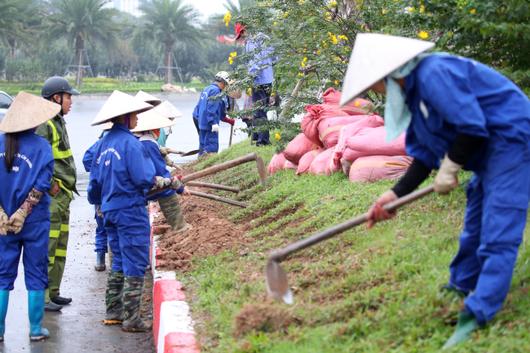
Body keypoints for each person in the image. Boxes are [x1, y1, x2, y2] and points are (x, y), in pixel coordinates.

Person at [340, 33, 530, 349]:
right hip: (487, 148)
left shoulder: (433, 73)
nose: (374, 91)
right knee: (474, 224)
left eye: (373, 84)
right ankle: (460, 284)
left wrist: (451, 166)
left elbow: (471, 126)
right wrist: (394, 194)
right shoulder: (414, 94)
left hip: (511, 139)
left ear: (388, 72)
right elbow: (424, 155)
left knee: (499, 225)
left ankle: (478, 311)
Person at [87, 91, 181, 332]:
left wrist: (102, 204)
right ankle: (132, 319)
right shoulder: (131, 144)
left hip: (108, 211)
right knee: (135, 261)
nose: (139, 118)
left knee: (117, 258)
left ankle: (113, 312)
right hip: (130, 210)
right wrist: (166, 182)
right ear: (125, 117)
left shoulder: (102, 145)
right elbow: (144, 179)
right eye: (135, 114)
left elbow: (93, 187)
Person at [0, 92, 62, 342]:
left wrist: (4, 214)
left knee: (3, 274)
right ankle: (36, 329)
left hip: (3, 223)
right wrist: (23, 213)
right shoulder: (41, 147)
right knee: (36, 272)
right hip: (33, 221)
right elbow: (42, 184)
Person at [36, 76, 79, 312]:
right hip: (53, 196)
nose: (71, 101)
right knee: (49, 247)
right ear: (56, 97)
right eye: (68, 96)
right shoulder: (45, 124)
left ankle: (54, 291)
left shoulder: (59, 121)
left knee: (61, 246)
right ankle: (42, 297)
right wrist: (51, 184)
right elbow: (39, 160)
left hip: (64, 195)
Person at [131, 102, 189, 232]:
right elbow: (160, 171)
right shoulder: (148, 143)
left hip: (129, 188)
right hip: (140, 188)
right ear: (154, 129)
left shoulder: (136, 140)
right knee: (167, 191)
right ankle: (180, 228)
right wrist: (179, 188)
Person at [236, 23, 276, 146]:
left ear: (245, 30)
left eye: (241, 34)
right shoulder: (265, 38)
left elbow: (255, 63)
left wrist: (250, 77)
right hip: (268, 79)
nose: (242, 38)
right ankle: (260, 137)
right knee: (262, 110)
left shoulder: (252, 42)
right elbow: (275, 58)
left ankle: (263, 140)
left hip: (258, 80)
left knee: (259, 111)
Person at [82, 126, 110, 272]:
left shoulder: (98, 145)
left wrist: (97, 169)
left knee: (101, 227)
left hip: (99, 193)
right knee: (114, 228)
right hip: (114, 192)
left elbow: (86, 160)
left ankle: (100, 261)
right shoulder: (123, 143)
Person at [193, 71, 235, 155]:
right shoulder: (216, 91)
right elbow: (211, 108)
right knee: (211, 148)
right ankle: (209, 166)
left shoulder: (207, 89)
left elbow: (199, 108)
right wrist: (212, 123)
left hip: (202, 123)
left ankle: (201, 165)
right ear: (223, 82)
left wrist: (227, 120)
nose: (226, 87)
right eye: (226, 84)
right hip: (210, 125)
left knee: (202, 147)